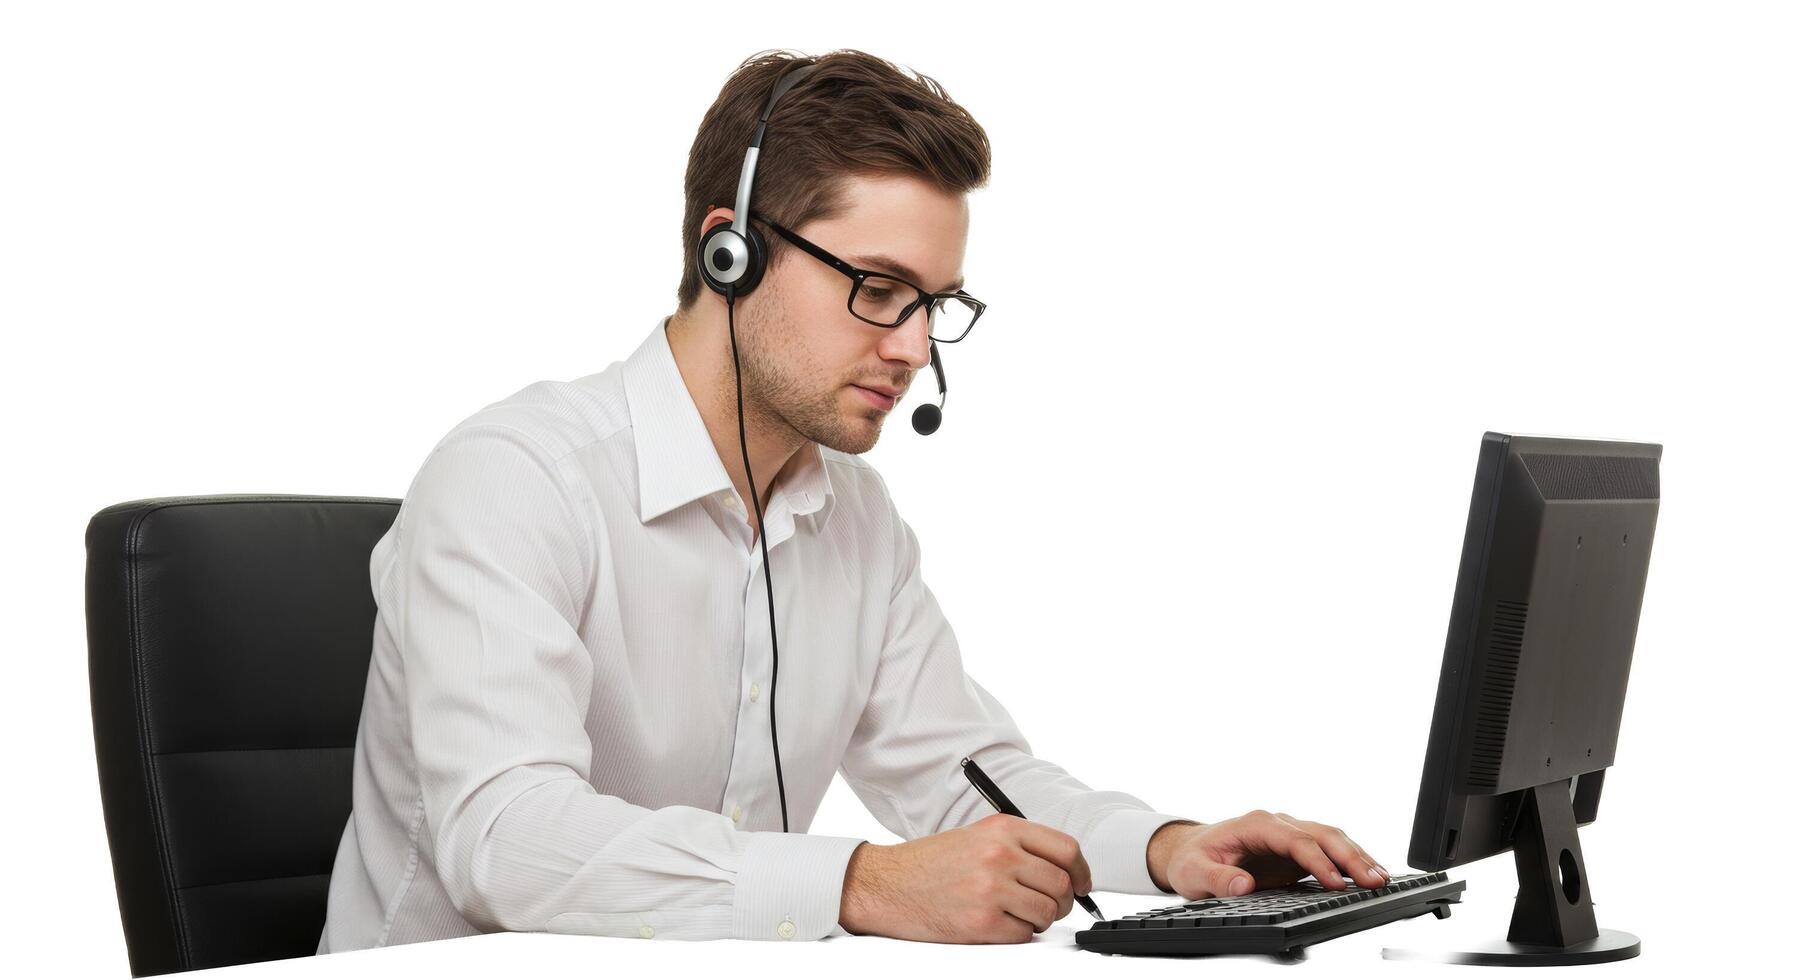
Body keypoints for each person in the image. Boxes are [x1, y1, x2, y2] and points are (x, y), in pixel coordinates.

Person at [318, 47, 1391, 952]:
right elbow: (506, 834)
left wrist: (1167, 848)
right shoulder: (515, 477)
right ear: (726, 252)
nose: (915, 346)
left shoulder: (856, 517)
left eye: (934, 303)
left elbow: (963, 779)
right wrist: (865, 884)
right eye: (877, 289)